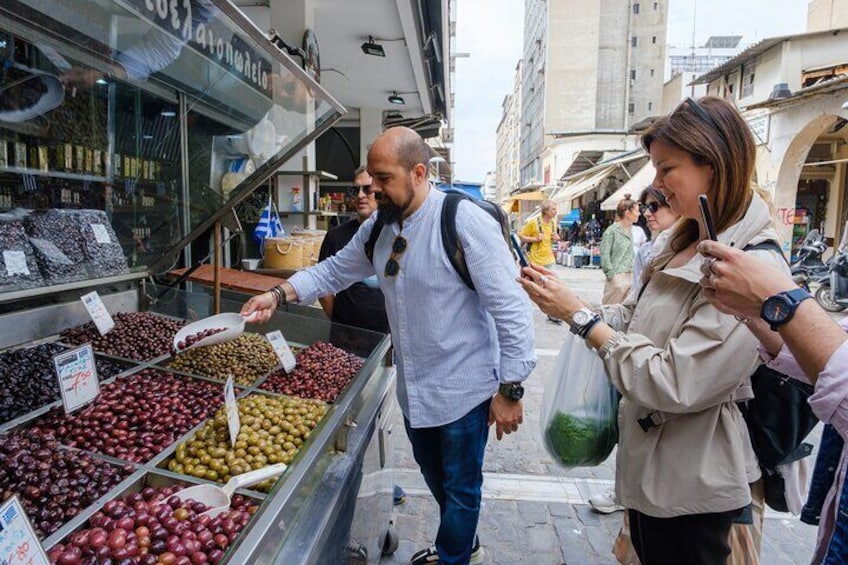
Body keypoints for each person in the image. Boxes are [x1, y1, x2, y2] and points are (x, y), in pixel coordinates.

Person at [241, 126, 536, 565]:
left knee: (460, 490)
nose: (372, 188)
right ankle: (462, 538)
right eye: (371, 179)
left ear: (418, 172)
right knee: (438, 480)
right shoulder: (379, 227)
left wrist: (510, 390)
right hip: (414, 392)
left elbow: (511, 309)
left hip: (465, 392)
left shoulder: (462, 220)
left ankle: (455, 553)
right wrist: (279, 294)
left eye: (382, 178)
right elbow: (332, 272)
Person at [518, 96, 785, 565]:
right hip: (651, 472)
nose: (657, 187)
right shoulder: (683, 238)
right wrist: (575, 305)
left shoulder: (750, 264)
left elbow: (676, 380)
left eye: (667, 169)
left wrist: (584, 322)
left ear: (715, 165)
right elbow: (640, 319)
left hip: (692, 484)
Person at [698, 239, 848, 564]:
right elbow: (825, 352)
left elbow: (837, 373)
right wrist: (749, 311)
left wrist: (779, 301)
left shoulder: (762, 255)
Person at [316, 165, 406, 508]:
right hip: (345, 344)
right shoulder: (339, 235)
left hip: (384, 343)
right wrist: (341, 323)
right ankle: (341, 476)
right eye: (358, 190)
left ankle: (380, 478)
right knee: (346, 416)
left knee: (380, 415)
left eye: (369, 189)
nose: (362, 196)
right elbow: (326, 283)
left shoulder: (392, 234)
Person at [589, 186, 680, 520]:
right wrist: (582, 311)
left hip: (664, 397)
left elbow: (676, 380)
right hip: (626, 303)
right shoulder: (655, 250)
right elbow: (633, 311)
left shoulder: (705, 257)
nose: (648, 212)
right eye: (645, 206)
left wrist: (588, 324)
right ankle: (625, 493)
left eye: (657, 205)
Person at [519, 200, 562, 323]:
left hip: (549, 259)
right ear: (546, 211)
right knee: (531, 287)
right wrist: (535, 238)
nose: (555, 211)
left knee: (553, 286)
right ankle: (523, 310)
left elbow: (554, 239)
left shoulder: (553, 223)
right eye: (553, 209)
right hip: (535, 260)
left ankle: (552, 314)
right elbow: (521, 236)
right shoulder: (533, 222)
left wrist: (557, 238)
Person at [600, 194, 640, 304]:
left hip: (630, 276)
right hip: (617, 277)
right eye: (636, 211)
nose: (639, 213)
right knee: (609, 311)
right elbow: (605, 255)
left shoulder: (631, 230)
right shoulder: (612, 231)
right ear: (627, 212)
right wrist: (612, 276)